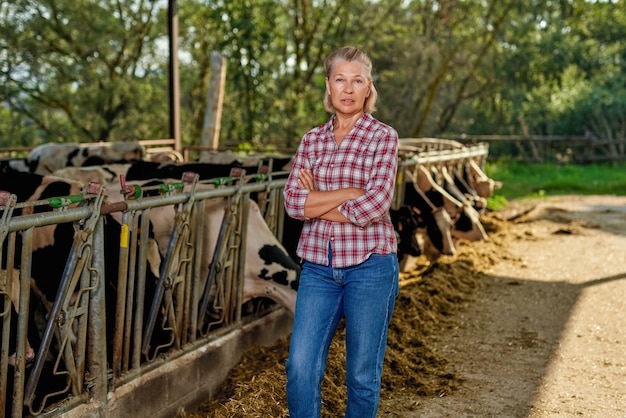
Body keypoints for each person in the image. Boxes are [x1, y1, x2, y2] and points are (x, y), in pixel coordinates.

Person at [283, 46, 400, 418]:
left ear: (368, 89)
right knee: (300, 368)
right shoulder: (311, 141)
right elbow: (291, 202)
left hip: (370, 265)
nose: (347, 89)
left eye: (357, 81)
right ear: (329, 87)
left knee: (361, 376)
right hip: (318, 267)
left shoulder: (383, 137)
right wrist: (349, 194)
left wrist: (317, 200)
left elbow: (376, 204)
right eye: (339, 80)